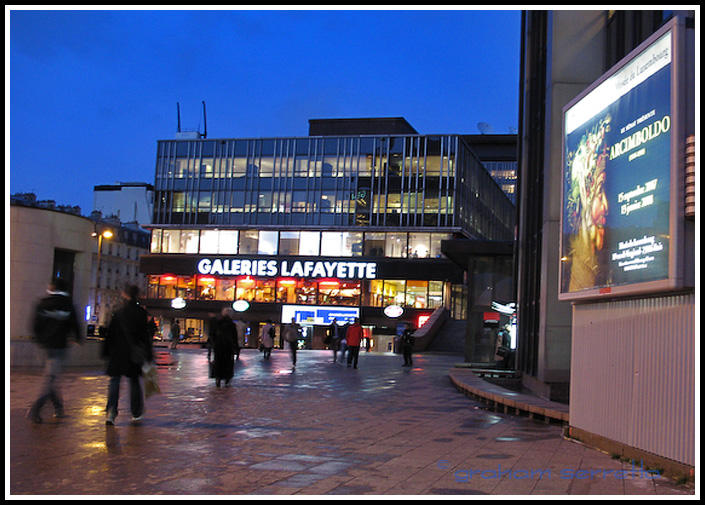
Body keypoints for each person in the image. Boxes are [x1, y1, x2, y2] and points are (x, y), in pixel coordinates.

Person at [27, 277, 82, 423]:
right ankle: (36, 409)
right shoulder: (68, 305)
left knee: (50, 376)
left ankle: (58, 407)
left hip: (44, 345)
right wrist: (77, 338)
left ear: (53, 287)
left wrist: (38, 338)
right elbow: (75, 324)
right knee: (50, 378)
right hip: (59, 345)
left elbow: (35, 325)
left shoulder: (42, 303)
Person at [102, 284, 153, 425]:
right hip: (133, 354)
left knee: (114, 382)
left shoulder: (118, 312)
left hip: (117, 353)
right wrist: (148, 355)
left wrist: (105, 352)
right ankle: (136, 412)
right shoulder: (142, 314)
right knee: (134, 382)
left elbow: (110, 335)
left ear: (125, 295)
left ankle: (111, 412)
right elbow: (145, 337)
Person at [211, 308, 238, 387]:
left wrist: (214, 343)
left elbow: (213, 334)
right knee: (228, 362)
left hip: (218, 345)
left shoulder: (218, 323)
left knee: (218, 362)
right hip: (228, 346)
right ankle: (227, 378)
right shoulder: (232, 324)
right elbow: (234, 336)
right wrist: (235, 347)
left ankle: (217, 377)